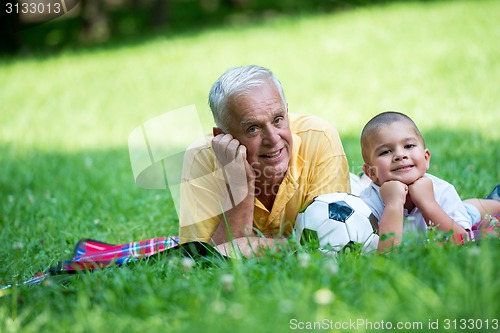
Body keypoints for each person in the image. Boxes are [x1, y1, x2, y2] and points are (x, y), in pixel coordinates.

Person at [179, 65, 351, 256]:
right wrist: (240, 185)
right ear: (222, 136)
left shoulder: (319, 137)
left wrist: (251, 246)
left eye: (278, 119)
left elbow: (332, 243)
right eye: (253, 128)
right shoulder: (201, 158)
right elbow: (205, 261)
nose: (273, 139)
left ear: (287, 112)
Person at [359, 111, 500, 252]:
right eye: (385, 152)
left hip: (451, 214)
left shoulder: (442, 190)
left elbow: (463, 240)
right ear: (371, 172)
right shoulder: (366, 206)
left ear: (426, 158)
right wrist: (393, 205)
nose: (400, 155)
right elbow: (386, 253)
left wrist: (428, 203)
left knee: (473, 210)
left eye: (409, 146)